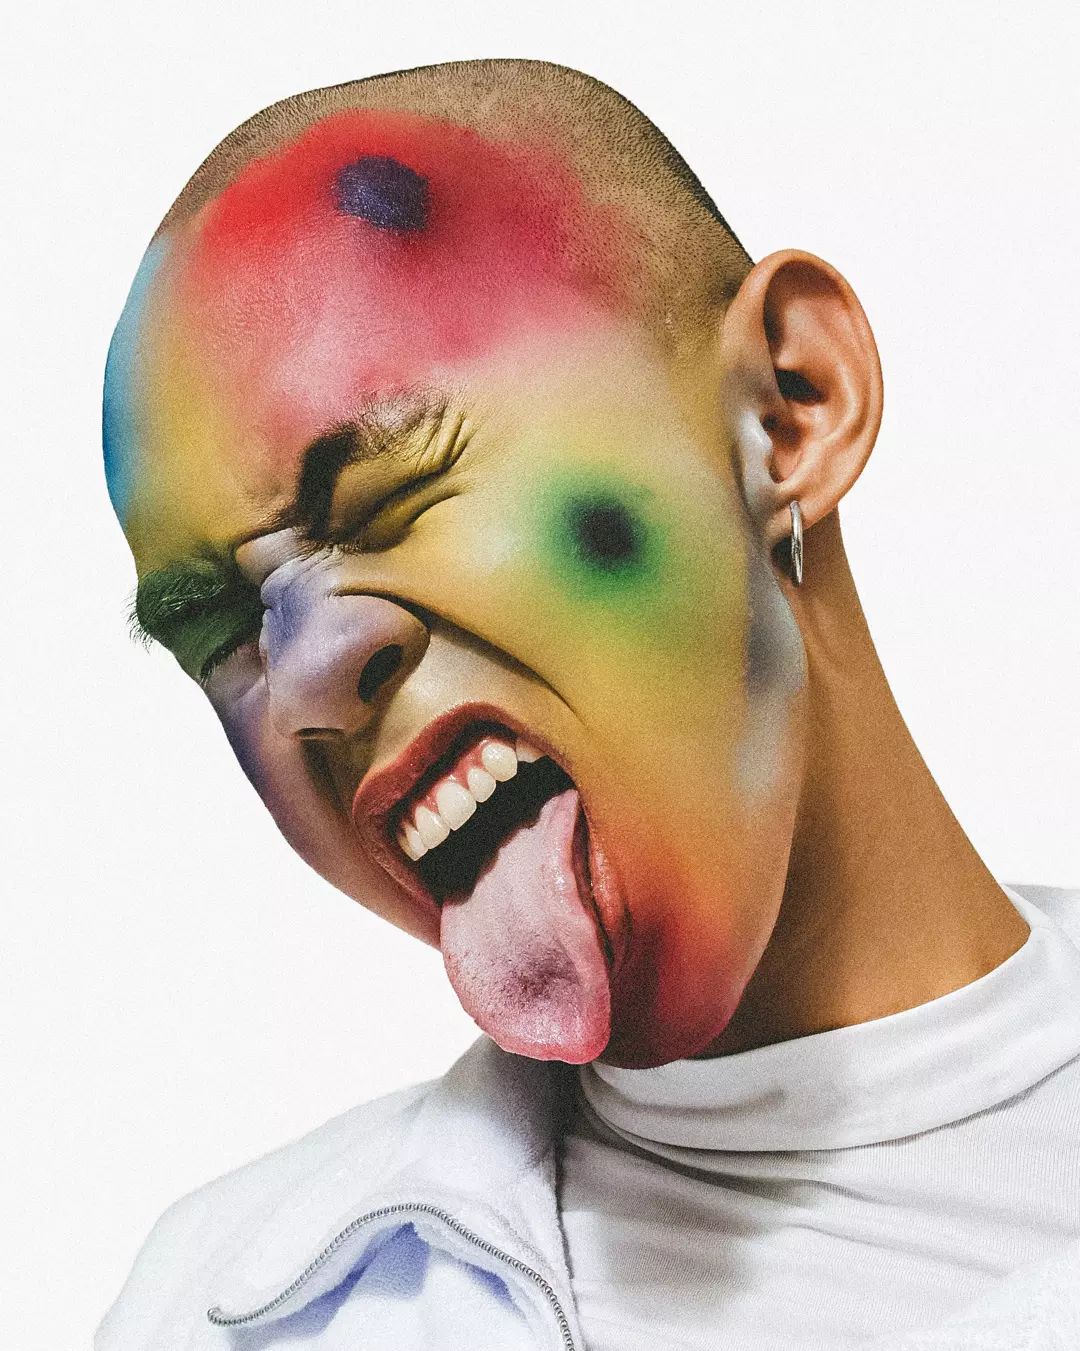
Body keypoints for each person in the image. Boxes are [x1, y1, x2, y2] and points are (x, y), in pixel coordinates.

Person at [95, 58, 1080, 1351]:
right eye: (219, 632)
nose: (305, 678)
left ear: (790, 410)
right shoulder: (212, 1318)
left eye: (388, 500)